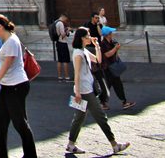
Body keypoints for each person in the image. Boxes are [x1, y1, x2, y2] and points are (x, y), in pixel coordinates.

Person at [65, 26, 129, 155]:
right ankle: (114, 144)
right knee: (100, 116)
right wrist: (77, 93)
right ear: (82, 38)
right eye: (88, 36)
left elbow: (98, 60)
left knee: (79, 118)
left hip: (86, 89)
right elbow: (76, 74)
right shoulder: (78, 53)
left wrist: (97, 46)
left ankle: (71, 145)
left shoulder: (83, 50)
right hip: (84, 91)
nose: (90, 37)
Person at [0, 13, 38, 158]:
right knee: (0, 119)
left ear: (1, 26)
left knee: (19, 122)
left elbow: (7, 65)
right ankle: (0, 153)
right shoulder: (8, 40)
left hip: (17, 85)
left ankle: (30, 155)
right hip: (8, 86)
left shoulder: (12, 41)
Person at [100, 27, 135, 110]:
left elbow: (114, 54)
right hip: (107, 68)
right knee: (110, 86)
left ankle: (122, 102)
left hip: (113, 67)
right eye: (111, 33)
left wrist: (116, 49)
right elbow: (107, 55)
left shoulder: (112, 42)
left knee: (115, 85)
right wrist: (115, 48)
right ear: (107, 34)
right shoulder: (102, 44)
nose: (112, 34)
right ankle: (122, 102)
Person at [55, 14, 72, 81]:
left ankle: (59, 76)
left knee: (60, 60)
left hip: (58, 43)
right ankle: (66, 76)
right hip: (62, 43)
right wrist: (68, 30)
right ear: (63, 17)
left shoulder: (56, 22)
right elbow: (63, 35)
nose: (66, 21)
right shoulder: (60, 23)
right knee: (65, 60)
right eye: (66, 19)